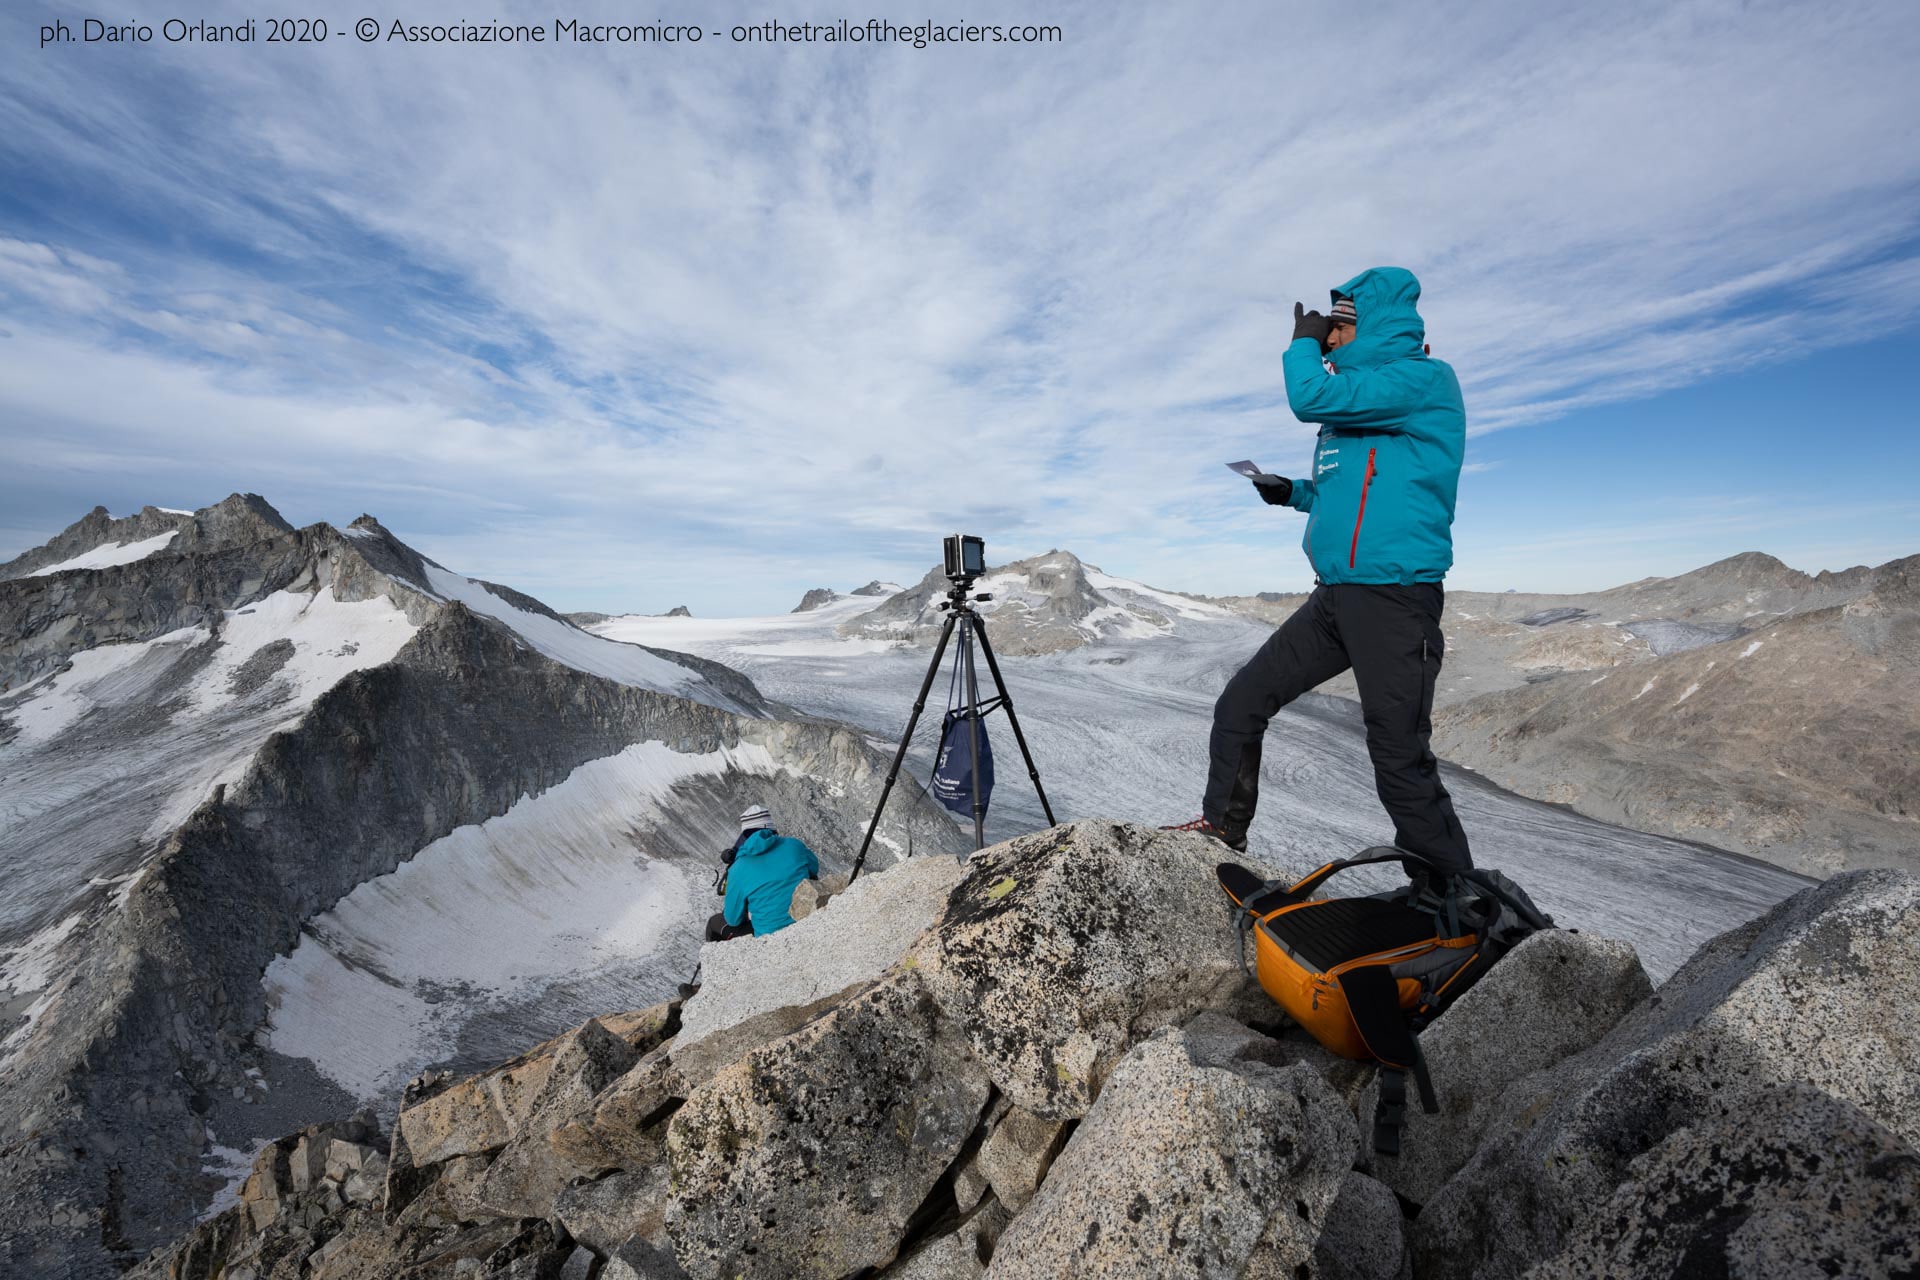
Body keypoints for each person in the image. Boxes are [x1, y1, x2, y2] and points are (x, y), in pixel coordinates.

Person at [1168, 266, 1473, 885]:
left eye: (1337, 326)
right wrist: (1292, 492)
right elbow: (1350, 492)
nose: (1329, 339)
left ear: (1373, 326)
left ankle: (1455, 897)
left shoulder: (1422, 381)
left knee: (1397, 755)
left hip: (1394, 599)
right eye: (1326, 329)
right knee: (1242, 701)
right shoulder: (1360, 407)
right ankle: (1223, 825)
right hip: (1336, 596)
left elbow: (1308, 396)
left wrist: (1299, 342)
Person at [704, 804, 821, 941]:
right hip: (807, 921)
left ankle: (716, 960)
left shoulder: (738, 868)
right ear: (772, 829)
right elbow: (814, 869)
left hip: (769, 937)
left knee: (714, 923)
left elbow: (733, 920)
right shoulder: (795, 845)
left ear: (745, 837)